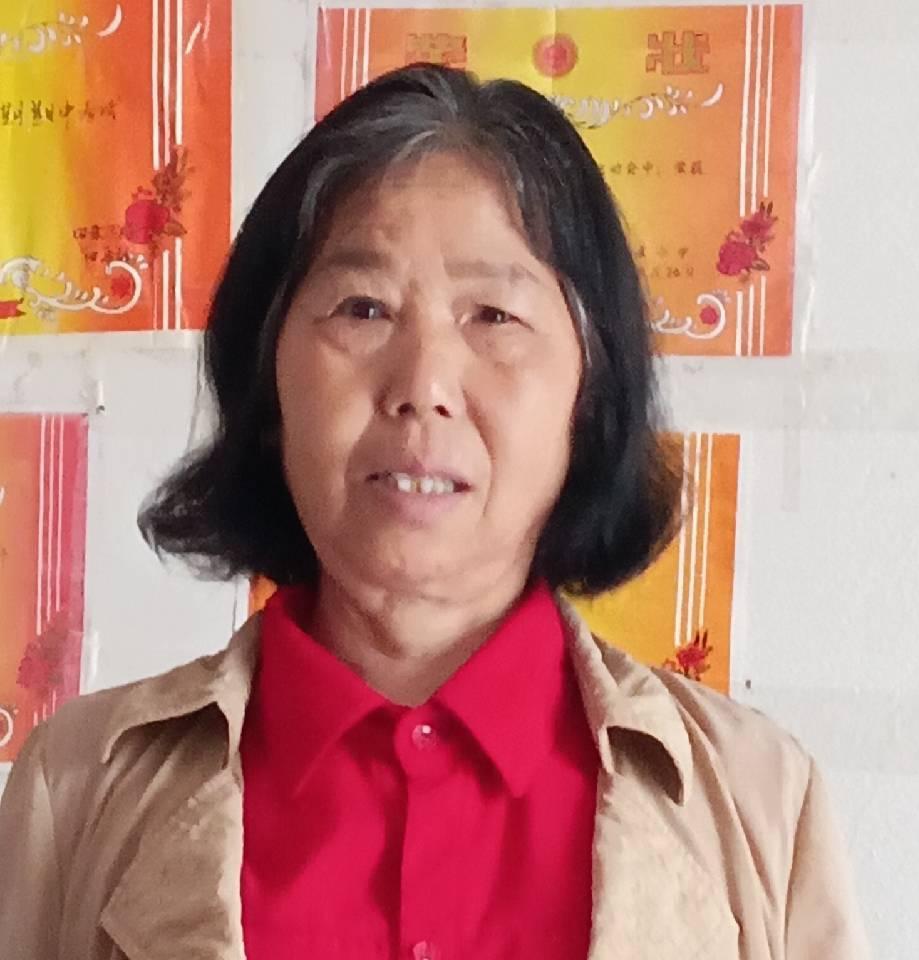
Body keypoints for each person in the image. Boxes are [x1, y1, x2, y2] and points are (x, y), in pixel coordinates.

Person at [0, 65, 868, 959]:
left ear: (590, 392)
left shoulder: (760, 805)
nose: (423, 385)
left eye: (492, 315)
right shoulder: (81, 791)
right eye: (363, 308)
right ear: (267, 381)